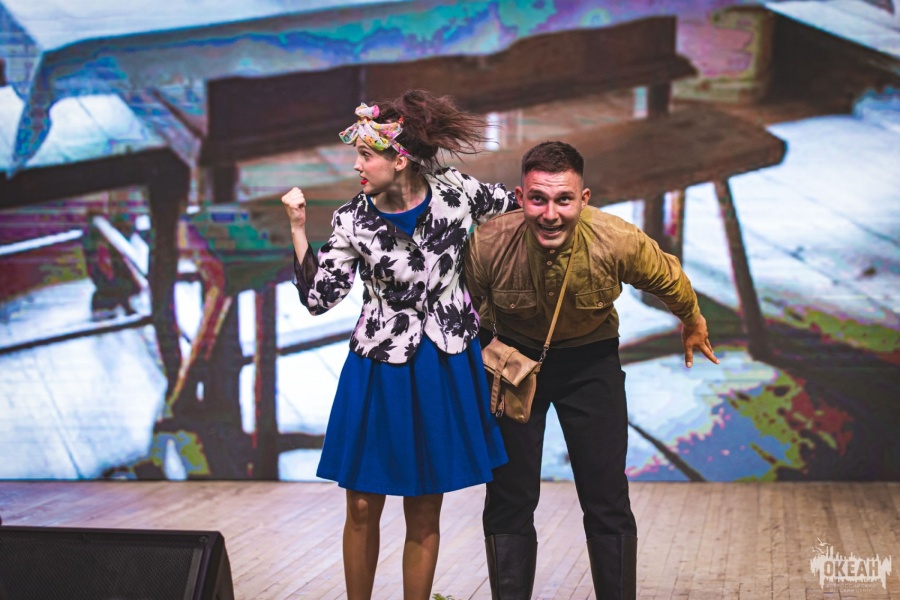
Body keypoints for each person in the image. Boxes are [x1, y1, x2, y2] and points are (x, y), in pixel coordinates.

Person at [281, 90, 517, 600]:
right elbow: (319, 298)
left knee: (425, 505)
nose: (357, 166)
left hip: (443, 362)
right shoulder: (353, 220)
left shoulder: (457, 192)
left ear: (400, 159)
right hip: (379, 366)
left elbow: (517, 205)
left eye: (366, 155)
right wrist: (298, 229)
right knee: (362, 503)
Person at [464, 141, 719, 599]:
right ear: (520, 197)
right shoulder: (488, 243)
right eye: (538, 199)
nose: (550, 214)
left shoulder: (616, 239)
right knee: (509, 495)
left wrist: (693, 321)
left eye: (563, 200)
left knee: (605, 495)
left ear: (584, 199)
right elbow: (461, 311)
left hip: (590, 361)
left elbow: (668, 278)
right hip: (512, 365)